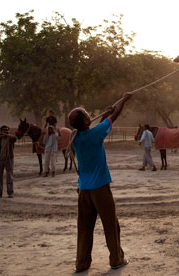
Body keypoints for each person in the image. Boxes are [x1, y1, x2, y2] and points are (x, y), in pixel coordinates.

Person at [69, 92, 132, 273]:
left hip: (84, 190)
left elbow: (100, 125)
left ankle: (81, 263)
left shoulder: (76, 139)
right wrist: (124, 100)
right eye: (88, 115)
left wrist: (104, 115)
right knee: (111, 225)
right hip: (100, 189)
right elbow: (115, 117)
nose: (90, 116)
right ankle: (116, 259)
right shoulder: (94, 134)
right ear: (87, 122)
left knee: (84, 228)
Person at [0, 125, 16, 198]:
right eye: (4, 130)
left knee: (9, 176)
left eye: (7, 130)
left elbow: (15, 138)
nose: (6, 131)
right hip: (0, 160)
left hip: (8, 159)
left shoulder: (10, 138)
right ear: (1, 131)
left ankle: (10, 193)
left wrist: (8, 135)